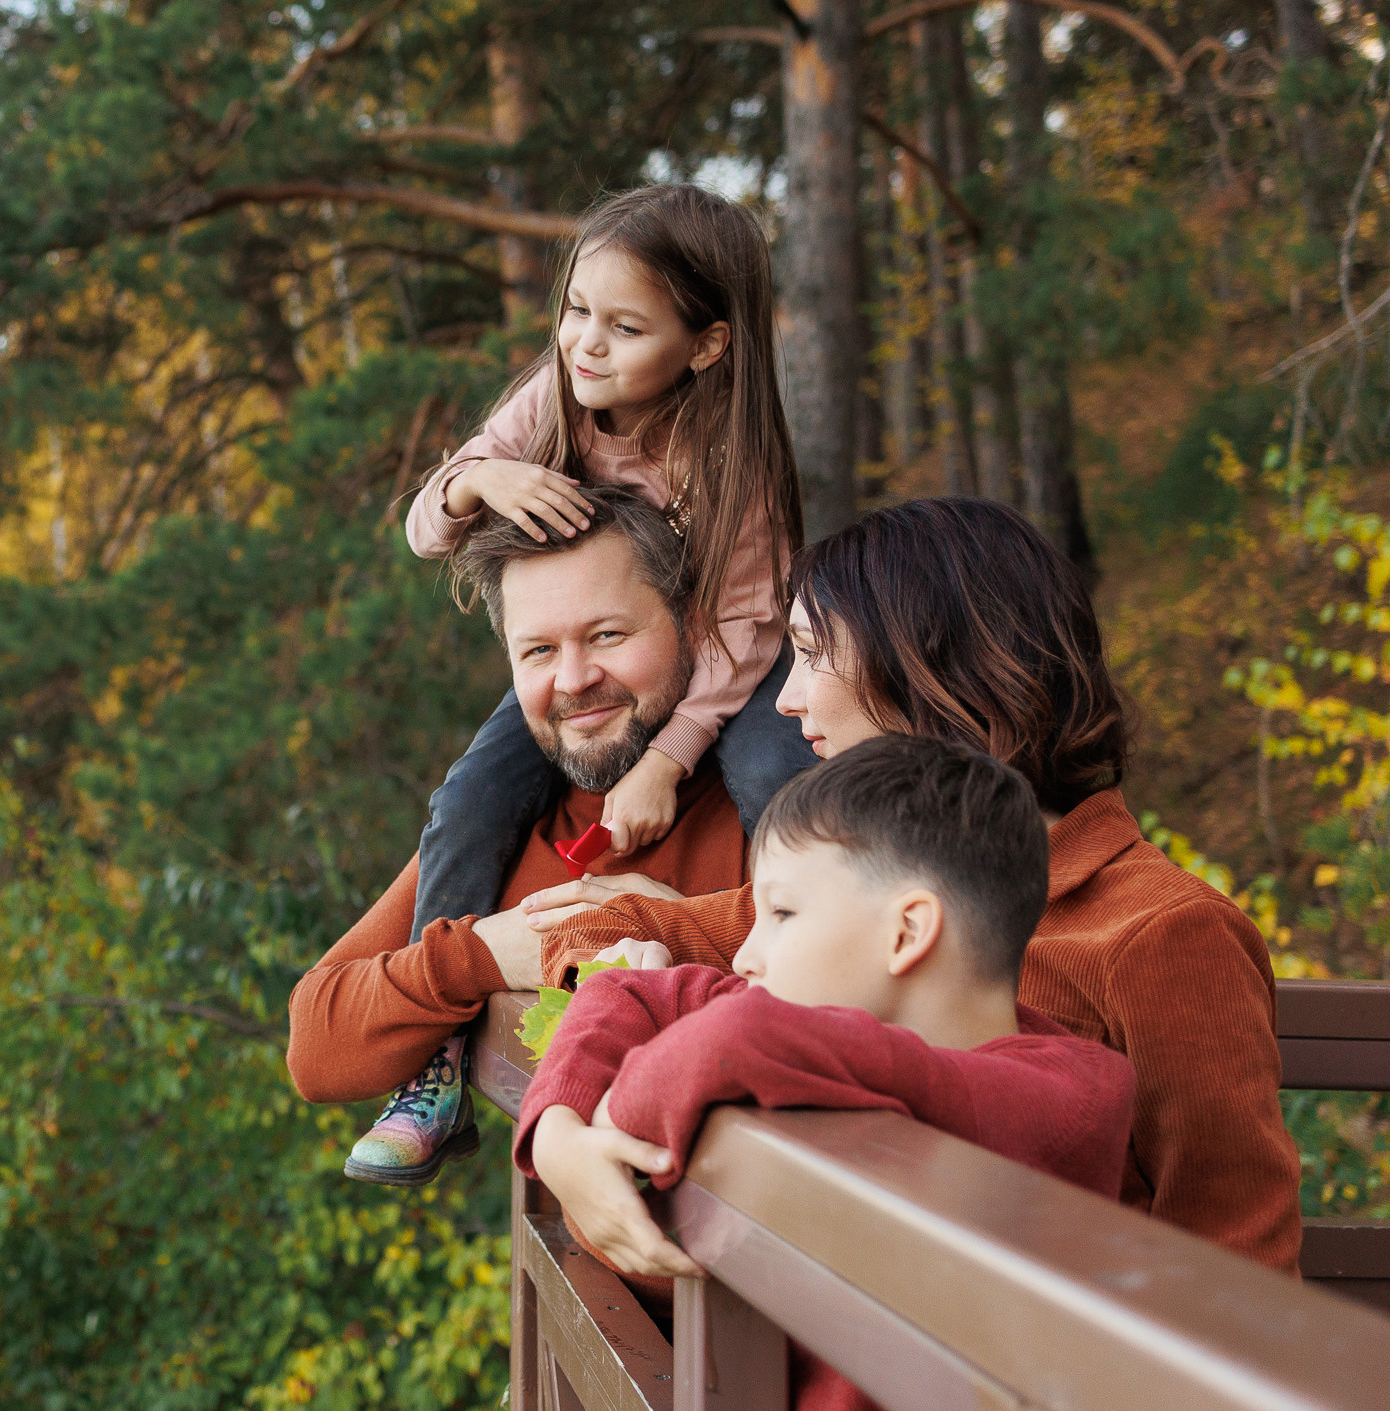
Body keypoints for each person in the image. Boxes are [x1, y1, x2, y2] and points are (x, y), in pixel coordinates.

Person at [521, 497, 1303, 1272]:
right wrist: (558, 1130)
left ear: (932, 662)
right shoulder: (854, 889)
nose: (787, 700)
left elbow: (1241, 1259)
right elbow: (584, 931)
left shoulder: (1163, 933)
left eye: (812, 654)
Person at [366, 183, 814, 1181]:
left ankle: (813, 991)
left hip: (717, 670)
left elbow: (742, 634)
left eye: (623, 325)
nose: (586, 343)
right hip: (605, 657)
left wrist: (665, 758)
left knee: (780, 779)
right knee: (470, 798)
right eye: (575, 311)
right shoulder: (556, 399)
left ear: (704, 345)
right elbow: (422, 528)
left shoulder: (729, 458)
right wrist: (474, 479)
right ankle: (437, 1057)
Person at [517, 734, 1137, 1411]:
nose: (746, 957)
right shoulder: (833, 1033)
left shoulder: (1067, 1096)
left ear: (906, 933)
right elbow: (625, 992)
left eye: (781, 913)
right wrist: (558, 1135)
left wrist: (613, 1116)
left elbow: (734, 1037)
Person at [288, 487, 755, 1184]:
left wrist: (659, 924)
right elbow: (316, 1047)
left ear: (692, 626)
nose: (574, 679)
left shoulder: (770, 811)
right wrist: (480, 955)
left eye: (608, 635)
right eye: (538, 650)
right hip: (588, 1280)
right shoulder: (503, 828)